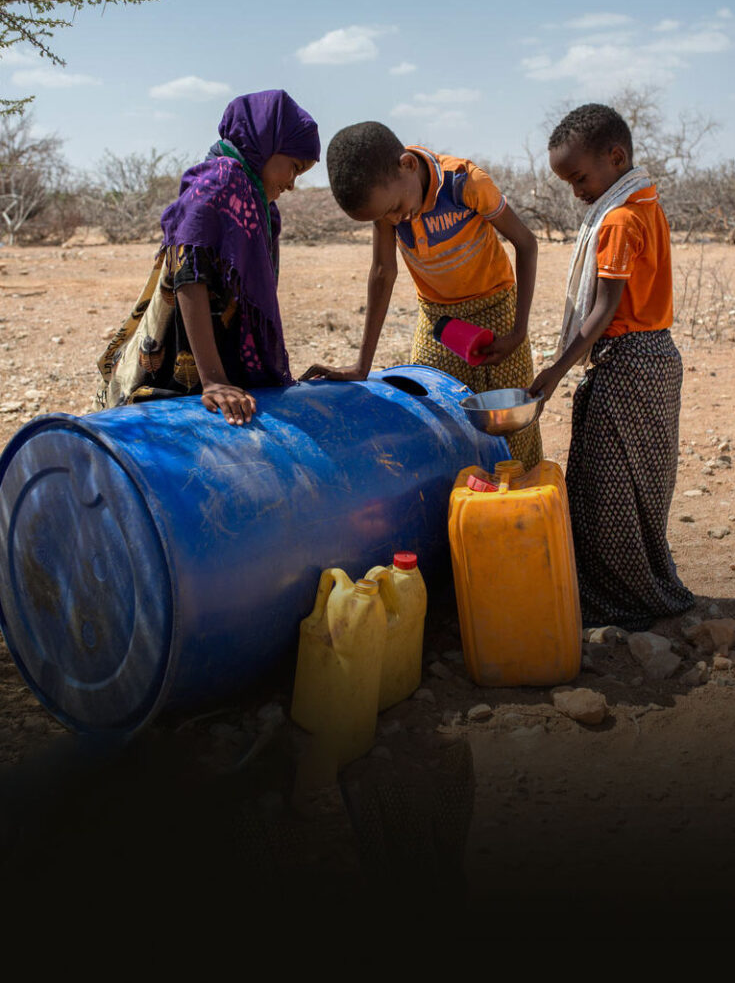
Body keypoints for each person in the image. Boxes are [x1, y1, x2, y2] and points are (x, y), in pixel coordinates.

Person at [530, 103, 694, 631]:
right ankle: (641, 584)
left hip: (629, 363)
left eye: (578, 177)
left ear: (615, 156)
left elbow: (602, 311)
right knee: (636, 482)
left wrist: (553, 372)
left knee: (607, 486)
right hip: (654, 359)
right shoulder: (645, 203)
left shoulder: (620, 220)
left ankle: (620, 597)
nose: (576, 191)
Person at [300, 122, 542, 470]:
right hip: (438, 321)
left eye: (396, 208)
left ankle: (526, 515)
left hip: (496, 310)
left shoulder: (465, 183)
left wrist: (518, 332)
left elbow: (526, 243)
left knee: (511, 429)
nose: (395, 220)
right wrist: (361, 366)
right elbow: (383, 272)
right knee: (438, 422)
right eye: (384, 217)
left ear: (408, 165)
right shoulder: (387, 202)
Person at [95, 90, 320, 426]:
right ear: (266, 143)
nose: (291, 183)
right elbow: (189, 272)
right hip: (181, 367)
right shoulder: (222, 181)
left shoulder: (257, 203)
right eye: (294, 168)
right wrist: (213, 379)